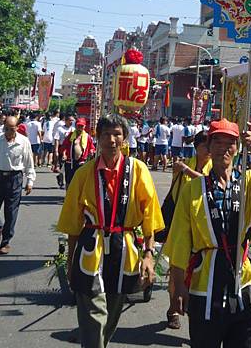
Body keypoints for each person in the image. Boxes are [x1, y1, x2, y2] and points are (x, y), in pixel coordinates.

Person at [165, 118, 251, 348]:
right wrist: (179, 288)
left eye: (230, 142)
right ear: (209, 147)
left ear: (237, 147)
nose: (224, 148)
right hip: (205, 285)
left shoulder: (248, 182)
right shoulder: (193, 189)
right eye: (218, 142)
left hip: (245, 282)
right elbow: (180, 239)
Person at [56, 114, 164, 348]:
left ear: (125, 139)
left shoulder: (138, 170)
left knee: (112, 314)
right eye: (106, 134)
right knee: (94, 314)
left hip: (123, 248)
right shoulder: (84, 173)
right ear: (97, 138)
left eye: (117, 134)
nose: (111, 140)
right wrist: (70, 259)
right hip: (90, 249)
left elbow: (149, 215)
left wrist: (148, 254)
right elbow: (73, 222)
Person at [165, 130, 213, 330]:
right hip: (183, 223)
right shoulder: (186, 164)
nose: (209, 151)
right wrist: (179, 172)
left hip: (205, 226)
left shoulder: (213, 166)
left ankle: (197, 312)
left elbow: (207, 182)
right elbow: (175, 192)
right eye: (205, 146)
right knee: (177, 267)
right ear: (197, 148)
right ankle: (173, 309)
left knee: (199, 272)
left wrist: (185, 171)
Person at [0, 116, 35, 254]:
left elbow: (28, 162)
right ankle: (0, 226)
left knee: (11, 212)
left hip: (15, 179)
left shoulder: (23, 141)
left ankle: (5, 242)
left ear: (17, 128)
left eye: (10, 129)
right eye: (5, 128)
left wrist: (30, 181)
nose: (7, 131)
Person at [60, 117, 95, 188]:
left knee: (81, 181)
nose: (80, 128)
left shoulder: (87, 137)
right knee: (69, 181)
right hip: (70, 162)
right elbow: (64, 147)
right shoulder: (70, 135)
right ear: (76, 125)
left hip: (82, 162)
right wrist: (64, 154)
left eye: (81, 126)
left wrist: (91, 151)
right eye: (78, 126)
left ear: (84, 126)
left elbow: (92, 148)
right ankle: (68, 197)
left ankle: (78, 197)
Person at [53, 114, 75, 188]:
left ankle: (67, 181)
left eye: (72, 120)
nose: (71, 122)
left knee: (68, 167)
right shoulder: (60, 129)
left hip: (71, 149)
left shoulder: (74, 129)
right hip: (62, 148)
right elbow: (57, 139)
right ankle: (61, 181)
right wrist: (56, 150)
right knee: (62, 166)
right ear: (65, 121)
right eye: (70, 120)